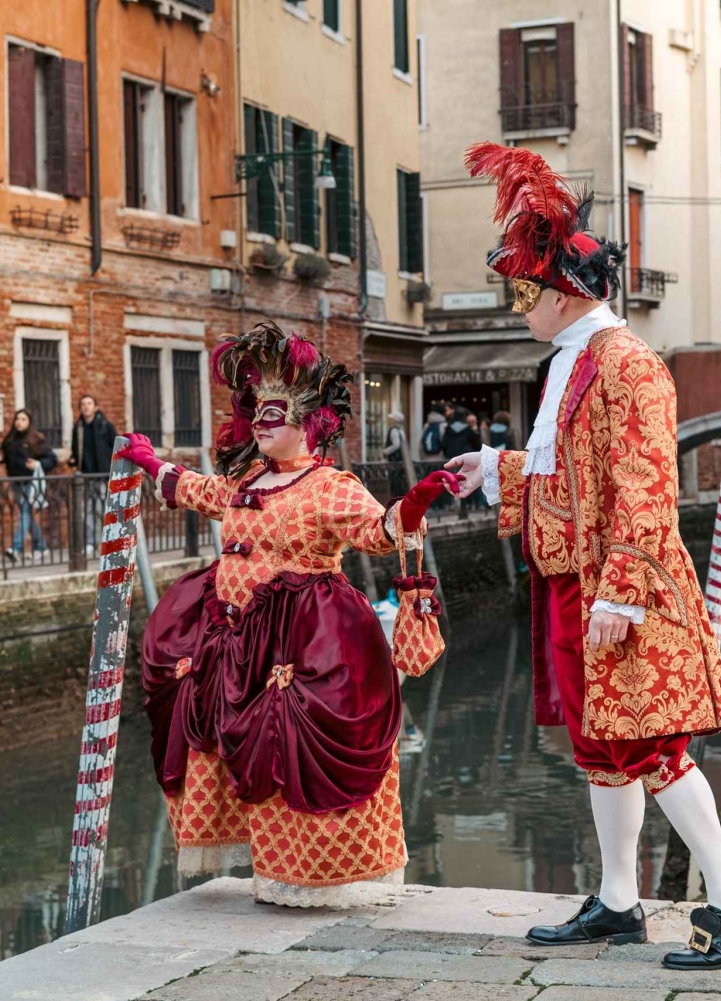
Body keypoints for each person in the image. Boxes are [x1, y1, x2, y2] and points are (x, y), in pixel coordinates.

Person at [444, 142, 721, 969]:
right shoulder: (574, 363)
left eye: (525, 290)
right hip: (571, 582)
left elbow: (644, 490)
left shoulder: (630, 367)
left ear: (562, 294)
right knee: (601, 748)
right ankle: (620, 901)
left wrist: (620, 593)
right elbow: (568, 474)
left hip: (620, 589)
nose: (518, 306)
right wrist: (496, 468)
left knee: (651, 747)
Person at [117, 321, 457, 908]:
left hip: (306, 640)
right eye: (259, 414)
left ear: (309, 423)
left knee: (293, 746)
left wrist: (414, 502)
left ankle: (313, 876)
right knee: (229, 741)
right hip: (235, 635)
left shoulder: (331, 486)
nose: (261, 424)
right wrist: (153, 465)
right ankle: (267, 869)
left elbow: (377, 533)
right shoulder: (250, 478)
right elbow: (204, 491)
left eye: (275, 414)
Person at [0, 409, 58, 562]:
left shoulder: (36, 439)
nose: (19, 422)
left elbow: (52, 459)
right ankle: (41, 546)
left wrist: (37, 464)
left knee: (24, 512)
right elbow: (6, 458)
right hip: (16, 481)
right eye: (17, 419)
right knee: (27, 515)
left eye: (23, 419)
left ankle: (15, 548)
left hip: (31, 482)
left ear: (29, 422)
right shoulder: (10, 439)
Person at [69, 394, 118, 557]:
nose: (86, 406)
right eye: (83, 404)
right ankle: (91, 543)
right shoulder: (78, 428)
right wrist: (73, 460)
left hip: (103, 476)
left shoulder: (105, 425)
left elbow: (116, 448)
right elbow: (75, 451)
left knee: (100, 510)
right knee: (87, 511)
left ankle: (103, 542)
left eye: (89, 403)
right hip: (86, 477)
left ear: (95, 407)